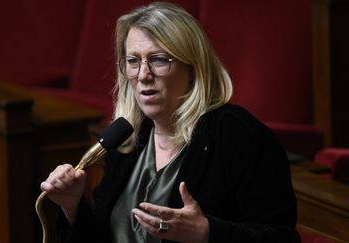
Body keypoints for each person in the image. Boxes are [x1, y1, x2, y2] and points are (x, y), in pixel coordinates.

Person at [40, 2, 300, 242]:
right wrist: (72, 206)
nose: (143, 75)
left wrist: (207, 232)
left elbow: (282, 238)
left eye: (159, 60)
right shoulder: (129, 139)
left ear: (193, 68)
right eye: (133, 61)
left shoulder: (239, 135)